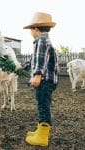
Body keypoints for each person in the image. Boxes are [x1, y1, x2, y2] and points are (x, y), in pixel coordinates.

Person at [23, 12, 58, 146]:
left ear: (36, 29)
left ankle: (42, 138)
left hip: (44, 80)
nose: (30, 32)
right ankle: (39, 131)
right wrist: (23, 66)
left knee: (43, 106)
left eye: (31, 29)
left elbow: (41, 60)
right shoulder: (45, 40)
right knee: (42, 105)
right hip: (47, 80)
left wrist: (37, 75)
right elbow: (35, 59)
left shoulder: (41, 41)